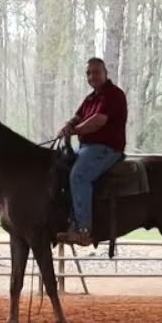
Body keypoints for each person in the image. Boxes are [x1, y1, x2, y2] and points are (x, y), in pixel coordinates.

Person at [56, 57, 127, 247]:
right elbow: (78, 116)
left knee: (79, 176)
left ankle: (84, 230)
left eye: (96, 72)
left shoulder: (113, 95)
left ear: (105, 73)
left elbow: (98, 121)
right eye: (88, 73)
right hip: (87, 148)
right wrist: (68, 125)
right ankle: (68, 220)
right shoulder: (90, 98)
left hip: (106, 148)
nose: (92, 76)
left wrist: (75, 130)